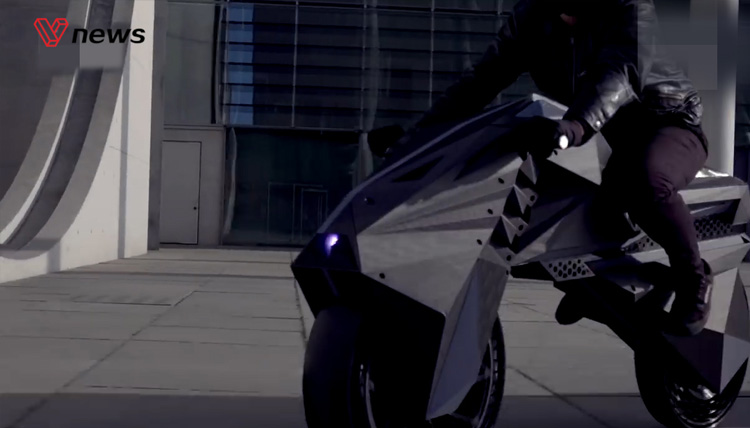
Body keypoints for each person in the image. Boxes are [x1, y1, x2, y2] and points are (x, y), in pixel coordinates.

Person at [406, 0, 712, 336]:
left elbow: (620, 71)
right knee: (535, 203)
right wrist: (418, 138)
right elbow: (482, 79)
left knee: (647, 180)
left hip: (664, 122)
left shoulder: (628, 7)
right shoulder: (530, 18)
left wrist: (578, 124)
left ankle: (694, 279)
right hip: (594, 132)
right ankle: (595, 286)